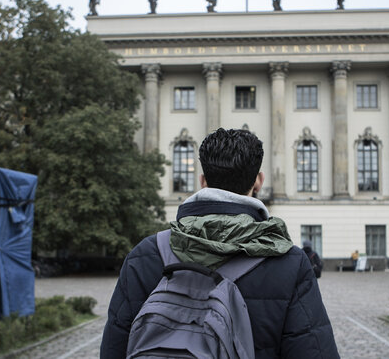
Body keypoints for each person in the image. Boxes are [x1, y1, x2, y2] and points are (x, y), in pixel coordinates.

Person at [101, 128, 339, 358]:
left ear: (203, 181)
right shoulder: (290, 263)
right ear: (258, 182)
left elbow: (115, 348)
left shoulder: (145, 254)